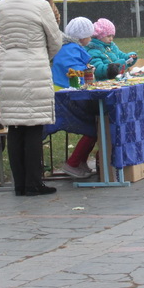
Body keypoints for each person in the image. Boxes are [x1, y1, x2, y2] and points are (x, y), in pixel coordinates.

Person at [0, 0, 62, 196]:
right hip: (34, 71)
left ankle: (19, 184)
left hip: (7, 71)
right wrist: (42, 55)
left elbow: (0, 34)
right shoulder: (41, 6)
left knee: (14, 127)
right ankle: (34, 183)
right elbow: (55, 41)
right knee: (33, 127)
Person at [51, 16, 99, 179]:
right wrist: (89, 72)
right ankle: (73, 163)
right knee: (95, 125)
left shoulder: (68, 48)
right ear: (82, 37)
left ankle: (80, 161)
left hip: (66, 96)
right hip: (65, 100)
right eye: (89, 35)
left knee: (96, 123)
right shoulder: (70, 50)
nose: (91, 38)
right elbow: (76, 73)